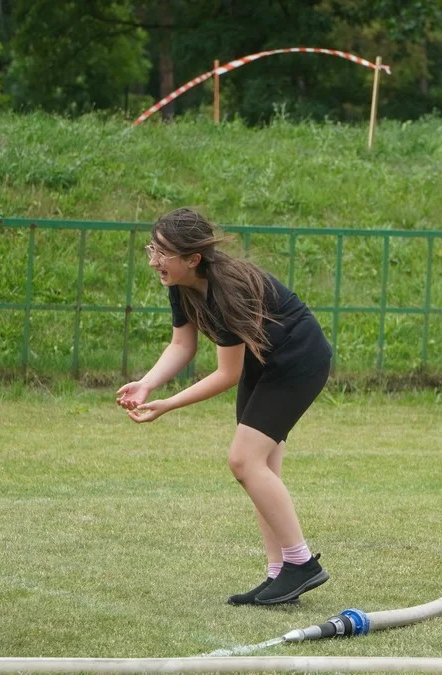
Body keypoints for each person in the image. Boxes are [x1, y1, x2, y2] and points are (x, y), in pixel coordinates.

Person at [117, 208, 332, 605]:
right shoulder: (181, 286)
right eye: (152, 248)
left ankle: (301, 563)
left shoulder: (228, 291)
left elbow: (227, 373)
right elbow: (182, 344)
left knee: (243, 461)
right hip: (264, 360)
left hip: (300, 359)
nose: (153, 261)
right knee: (260, 468)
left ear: (192, 258)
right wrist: (148, 383)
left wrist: (168, 404)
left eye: (162, 253)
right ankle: (280, 575)